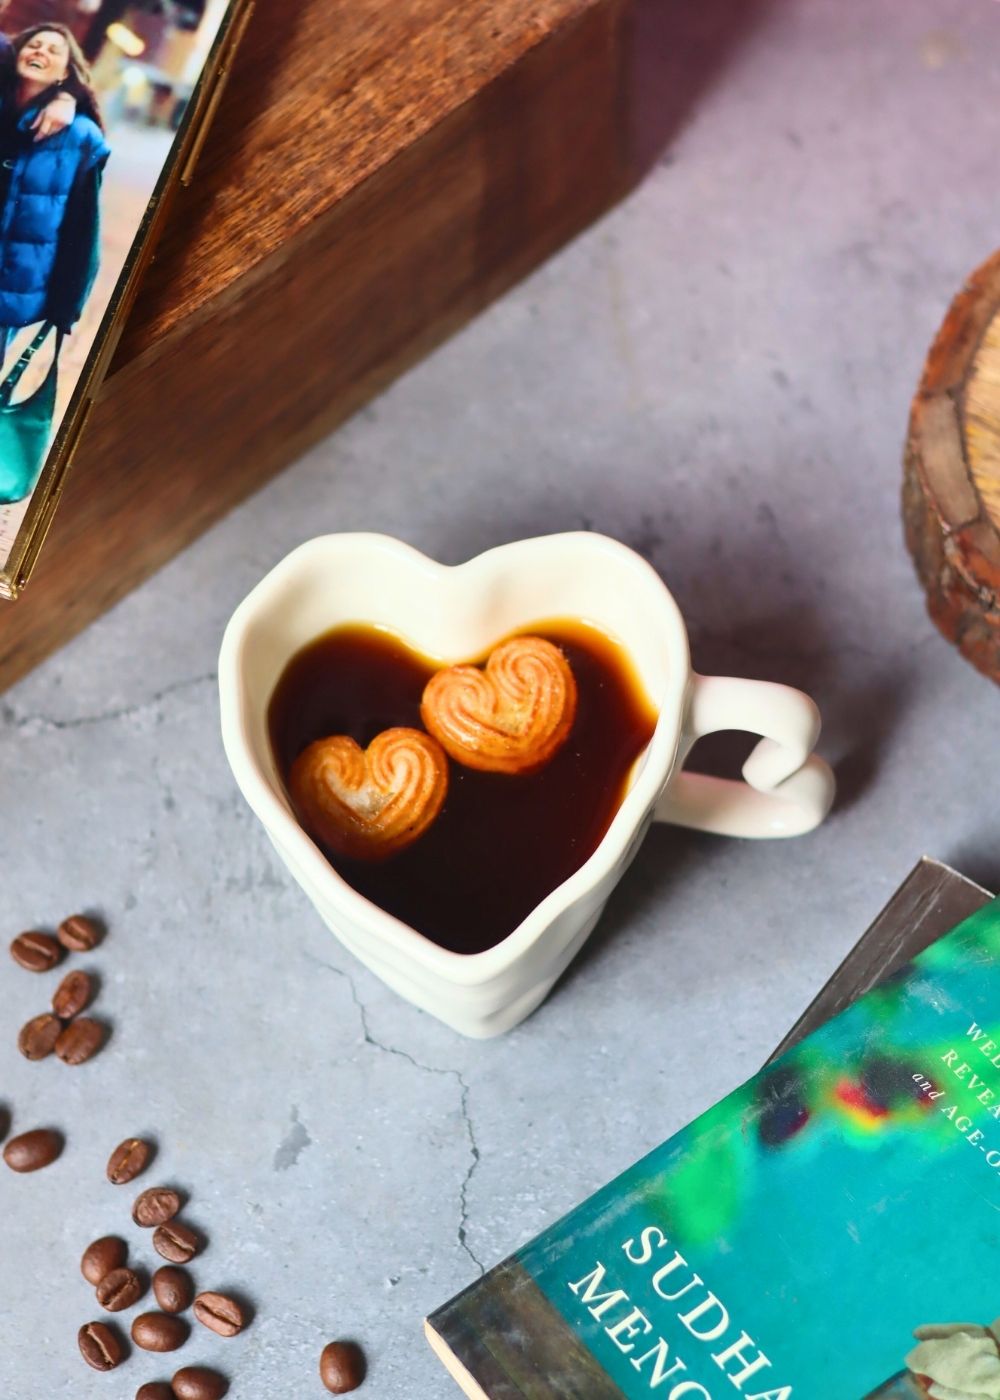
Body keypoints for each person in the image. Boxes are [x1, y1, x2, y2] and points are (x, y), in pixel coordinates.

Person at [0, 23, 109, 504]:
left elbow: (84, 226)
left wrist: (70, 304)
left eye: (53, 50)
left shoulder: (80, 137)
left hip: (9, 282)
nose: (39, 50)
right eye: (32, 44)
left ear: (68, 71)